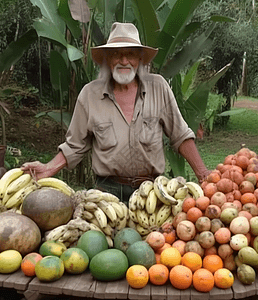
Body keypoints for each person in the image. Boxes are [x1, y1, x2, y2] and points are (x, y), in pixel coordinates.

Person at [21, 22, 210, 203]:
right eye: (116, 54)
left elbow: (180, 135)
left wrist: (203, 175)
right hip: (107, 191)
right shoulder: (90, 94)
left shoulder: (158, 87)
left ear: (140, 60)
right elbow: (75, 145)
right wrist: (48, 168)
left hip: (152, 190)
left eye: (130, 54)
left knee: (156, 237)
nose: (124, 60)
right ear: (107, 59)